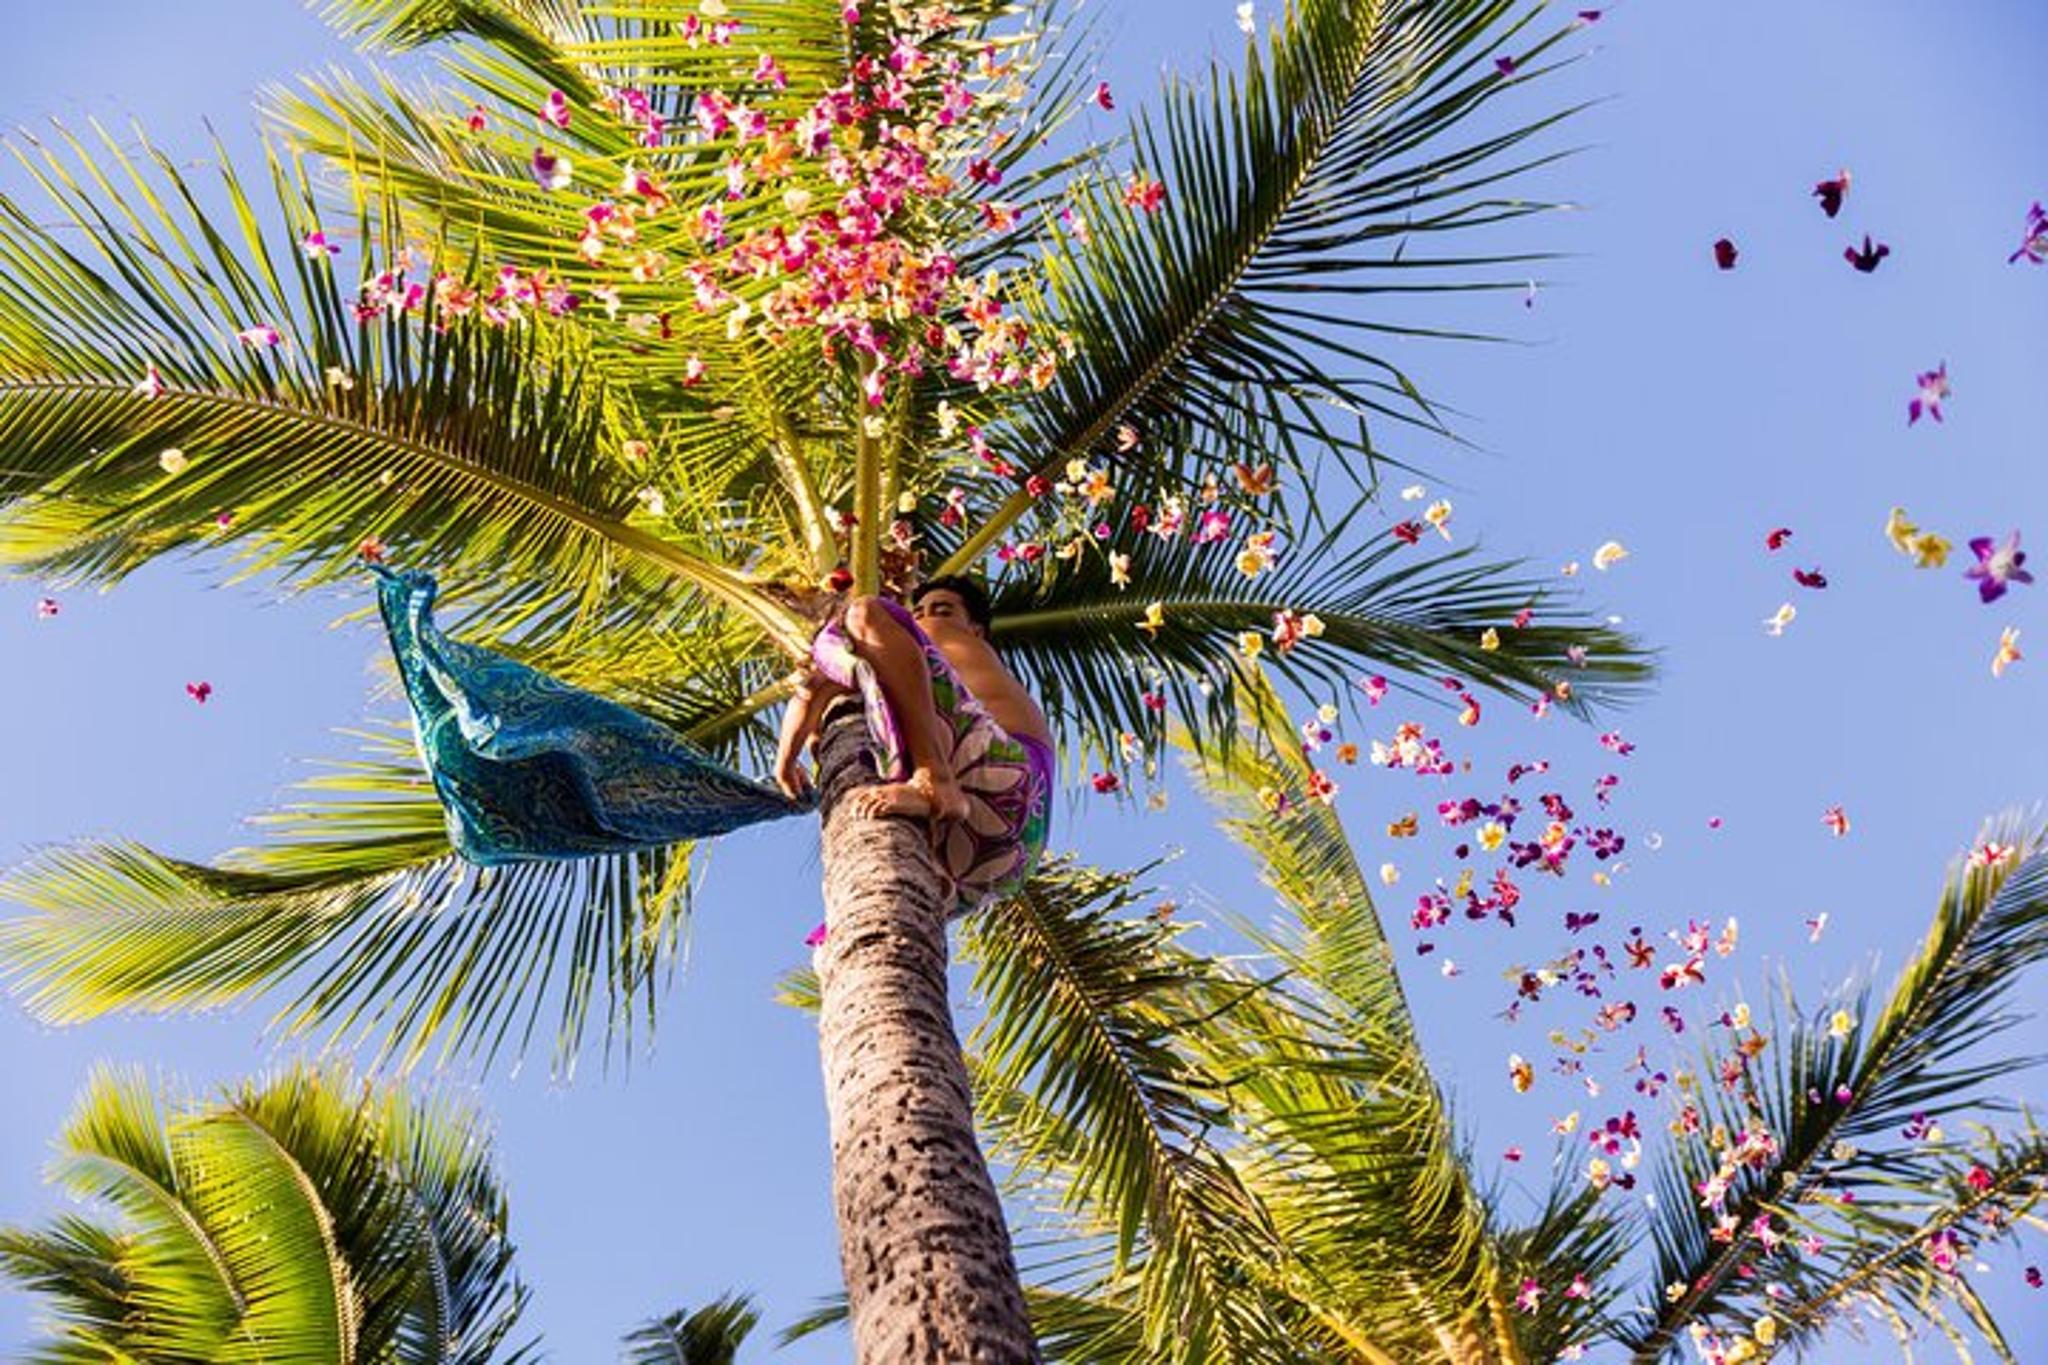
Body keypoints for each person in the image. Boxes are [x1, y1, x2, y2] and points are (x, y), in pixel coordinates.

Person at [775, 576, 1055, 914]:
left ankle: (933, 779)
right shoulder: (879, 661)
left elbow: (817, 683)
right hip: (1001, 859)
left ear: (977, 630)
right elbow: (816, 687)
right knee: (874, 922)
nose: (925, 618)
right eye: (918, 611)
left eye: (943, 609)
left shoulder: (945, 640)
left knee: (866, 612)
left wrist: (786, 764)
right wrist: (787, 763)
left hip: (1007, 783)